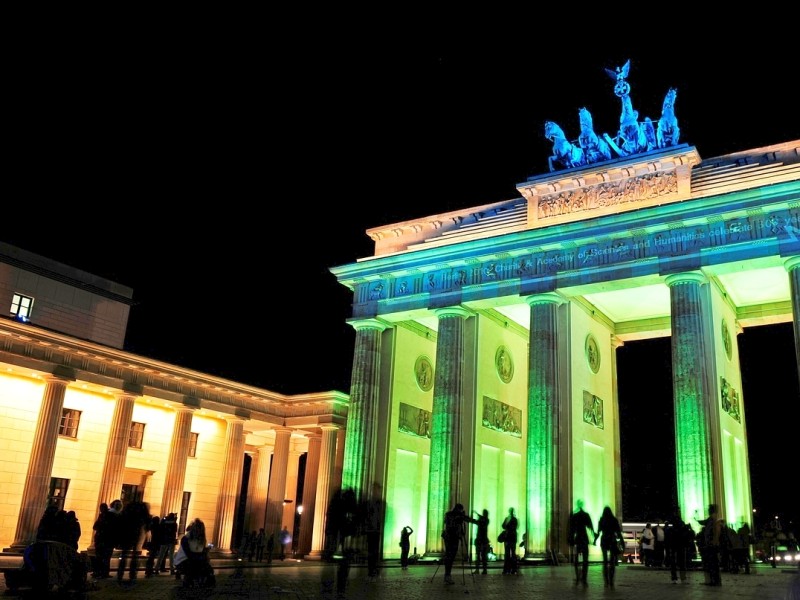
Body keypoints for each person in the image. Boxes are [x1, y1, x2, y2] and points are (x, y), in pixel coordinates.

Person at [116, 500, 151, 585]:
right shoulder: (143, 513)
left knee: (124, 555)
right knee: (135, 556)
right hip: (137, 534)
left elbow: (120, 521)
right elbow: (148, 523)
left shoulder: (127, 513)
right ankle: (132, 575)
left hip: (127, 533)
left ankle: (120, 574)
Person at [176, 518, 215, 588]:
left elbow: (199, 552)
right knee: (195, 565)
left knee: (206, 567)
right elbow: (189, 554)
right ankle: (189, 581)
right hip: (183, 561)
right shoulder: (186, 539)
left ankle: (200, 581)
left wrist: (206, 551)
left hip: (194, 560)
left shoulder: (200, 539)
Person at [442, 503, 471, 584]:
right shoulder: (450, 515)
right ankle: (447, 575)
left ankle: (447, 575)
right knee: (450, 557)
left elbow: (466, 520)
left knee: (450, 556)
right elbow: (449, 524)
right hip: (451, 538)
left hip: (453, 538)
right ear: (458, 509)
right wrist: (458, 518)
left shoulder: (450, 515)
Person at [595, 505, 623, 588]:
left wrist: (594, 540)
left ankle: (606, 582)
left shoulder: (602, 520)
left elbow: (598, 532)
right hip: (612, 540)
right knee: (612, 562)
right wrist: (621, 542)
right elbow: (618, 532)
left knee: (605, 561)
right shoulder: (614, 520)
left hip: (604, 540)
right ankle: (611, 580)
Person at [568, 499, 594, 587]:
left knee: (576, 560)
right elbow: (590, 527)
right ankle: (584, 577)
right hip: (584, 538)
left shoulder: (574, 515)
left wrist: (571, 539)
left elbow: (572, 529)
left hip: (578, 539)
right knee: (585, 560)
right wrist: (593, 537)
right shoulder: (586, 515)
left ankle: (578, 575)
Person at [501, 507, 519, 575]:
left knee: (510, 554)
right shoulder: (511, 519)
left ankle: (510, 569)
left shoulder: (512, 519)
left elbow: (511, 527)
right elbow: (503, 526)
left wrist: (507, 525)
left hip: (510, 538)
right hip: (510, 538)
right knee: (509, 554)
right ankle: (509, 569)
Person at [472, 509, 489, 575]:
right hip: (482, 540)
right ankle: (482, 570)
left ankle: (480, 570)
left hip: (481, 540)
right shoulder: (485, 520)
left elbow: (479, 522)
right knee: (481, 556)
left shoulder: (484, 520)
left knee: (481, 556)